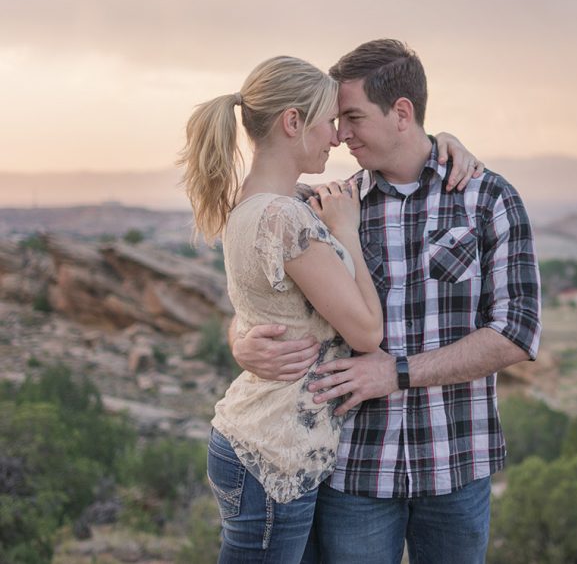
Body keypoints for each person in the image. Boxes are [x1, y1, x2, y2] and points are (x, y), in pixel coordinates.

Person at [232, 40, 542, 564]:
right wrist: (241, 342)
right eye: (334, 120)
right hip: (353, 470)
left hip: (455, 466)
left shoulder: (488, 199)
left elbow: (516, 332)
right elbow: (255, 293)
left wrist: (396, 373)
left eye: (352, 117)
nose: (340, 134)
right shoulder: (329, 208)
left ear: (402, 113)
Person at [178, 55, 483, 562]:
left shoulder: (261, 202)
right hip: (273, 452)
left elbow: (267, 304)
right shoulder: (286, 217)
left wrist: (444, 143)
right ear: (293, 123)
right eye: (327, 122)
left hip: (271, 445)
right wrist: (346, 233)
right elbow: (366, 333)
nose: (337, 137)